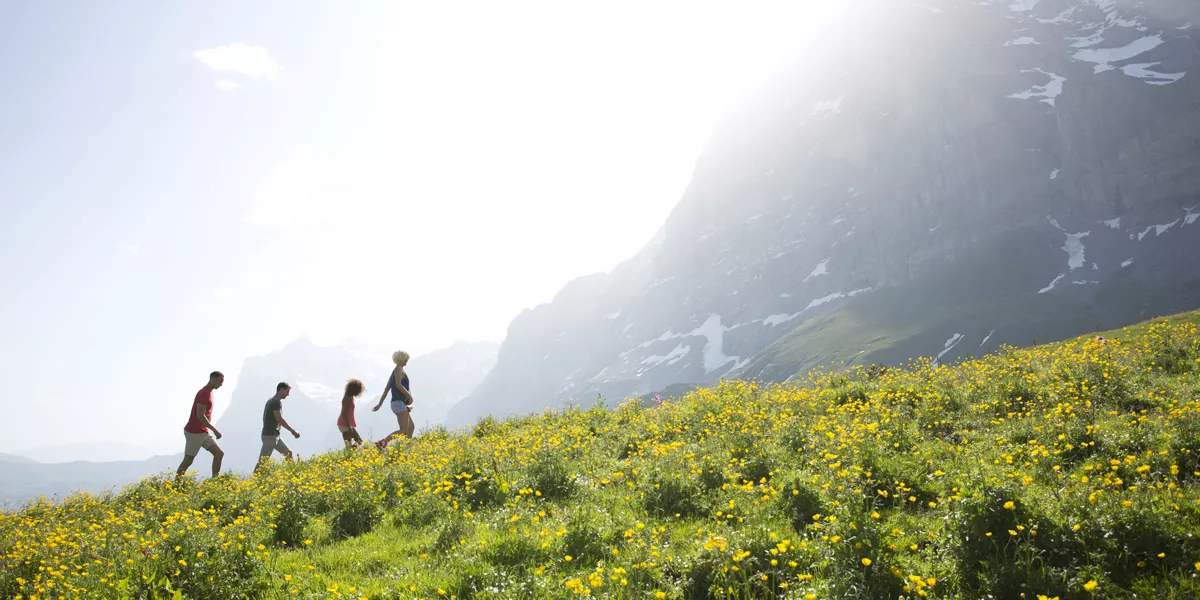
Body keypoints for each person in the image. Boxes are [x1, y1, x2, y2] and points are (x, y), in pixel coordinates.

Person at [176, 371, 226, 479]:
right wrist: (215, 430)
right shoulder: (204, 393)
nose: (221, 384)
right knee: (188, 460)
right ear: (213, 379)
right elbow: (200, 416)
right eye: (220, 381)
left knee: (219, 453)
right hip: (194, 432)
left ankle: (214, 481)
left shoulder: (209, 393)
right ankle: (176, 483)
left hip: (203, 431)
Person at [372, 350, 415, 450]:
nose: (407, 361)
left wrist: (379, 404)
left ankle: (407, 447)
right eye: (406, 359)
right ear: (401, 359)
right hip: (399, 403)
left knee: (411, 427)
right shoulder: (398, 369)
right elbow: (398, 385)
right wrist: (409, 396)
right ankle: (382, 442)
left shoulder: (394, 372)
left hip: (398, 403)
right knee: (404, 430)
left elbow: (387, 389)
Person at [255, 382, 300, 473]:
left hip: (274, 435)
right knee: (262, 462)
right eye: (287, 391)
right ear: (281, 390)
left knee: (288, 453)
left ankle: (294, 473)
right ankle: (254, 481)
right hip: (270, 436)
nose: (288, 394)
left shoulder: (271, 400)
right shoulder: (276, 402)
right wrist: (293, 431)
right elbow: (279, 419)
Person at [338, 379, 365, 448]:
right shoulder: (348, 398)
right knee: (359, 442)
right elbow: (344, 413)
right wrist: (349, 426)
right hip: (344, 424)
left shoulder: (350, 397)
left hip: (345, 424)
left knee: (350, 445)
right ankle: (349, 455)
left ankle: (349, 455)